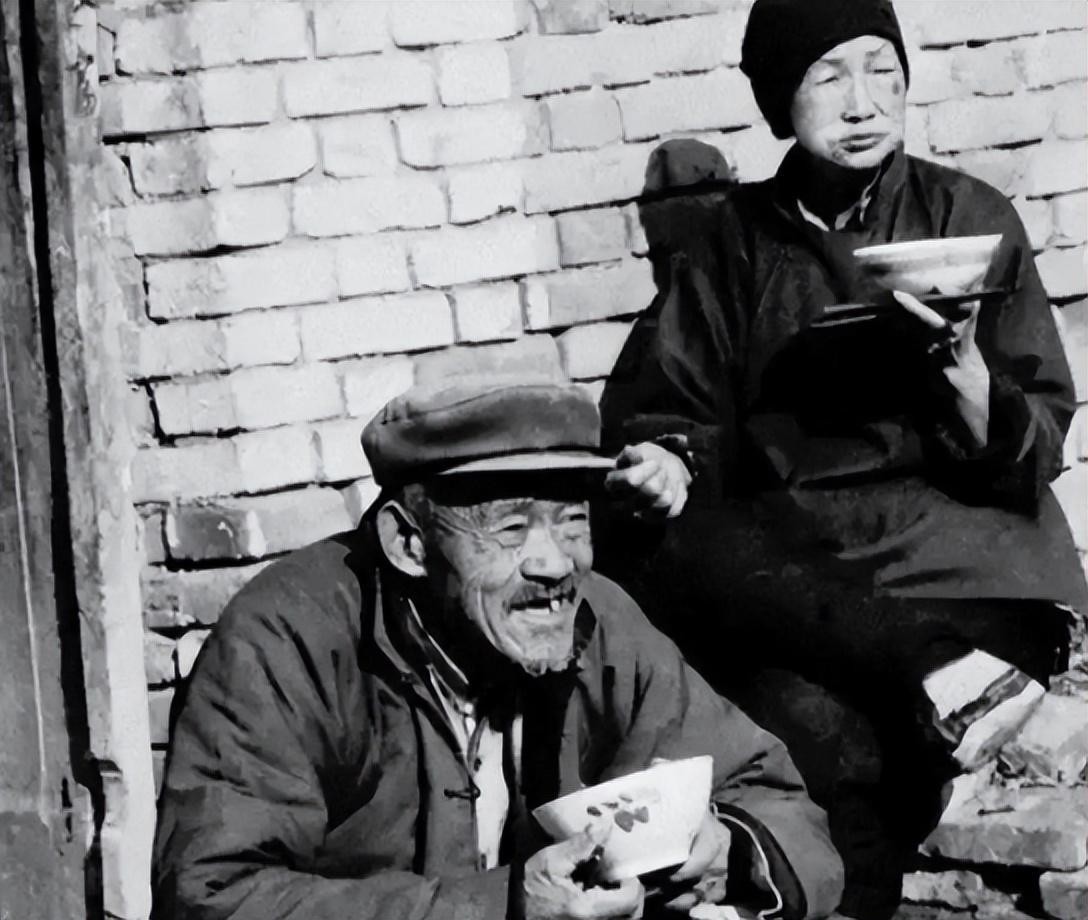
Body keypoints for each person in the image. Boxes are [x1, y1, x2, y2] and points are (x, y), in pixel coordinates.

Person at [597, 1, 1088, 918]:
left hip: (966, 577)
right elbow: (668, 407)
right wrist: (665, 461)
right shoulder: (730, 243)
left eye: (882, 71)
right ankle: (927, 673)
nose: (863, 103)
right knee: (790, 700)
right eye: (829, 75)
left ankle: (937, 680)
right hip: (811, 586)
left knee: (831, 737)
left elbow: (1038, 450)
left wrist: (964, 371)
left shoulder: (968, 216)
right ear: (777, 100)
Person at [152, 377, 844, 920]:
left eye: (572, 522)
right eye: (511, 530)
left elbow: (776, 800)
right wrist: (504, 907)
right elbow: (211, 896)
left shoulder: (595, 620)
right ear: (409, 544)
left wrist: (728, 851)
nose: (556, 564)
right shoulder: (288, 640)